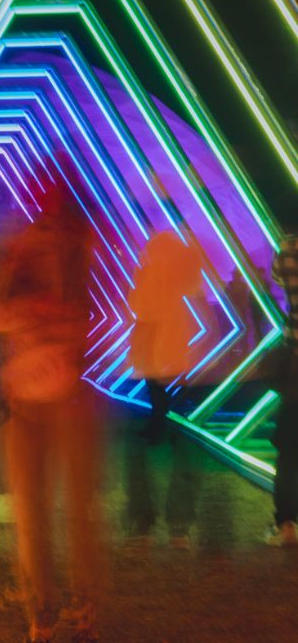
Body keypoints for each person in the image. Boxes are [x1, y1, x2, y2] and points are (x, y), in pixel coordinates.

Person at [0, 180, 103, 643]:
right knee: (32, 513)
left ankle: (78, 608)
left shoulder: (79, 252)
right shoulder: (16, 250)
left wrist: (39, 312)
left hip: (65, 397)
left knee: (75, 513)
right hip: (22, 399)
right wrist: (12, 282)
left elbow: (82, 321)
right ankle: (44, 610)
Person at [124, 230, 206, 549]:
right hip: (180, 369)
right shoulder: (186, 279)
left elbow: (139, 308)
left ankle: (142, 522)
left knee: (138, 446)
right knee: (183, 447)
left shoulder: (149, 277)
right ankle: (178, 527)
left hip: (149, 370)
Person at [269, 234, 298, 546]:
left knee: (289, 448)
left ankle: (287, 523)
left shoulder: (289, 250)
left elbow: (278, 276)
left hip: (295, 362)